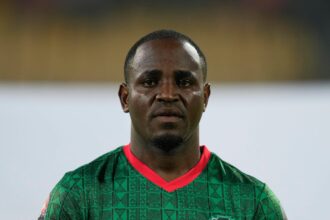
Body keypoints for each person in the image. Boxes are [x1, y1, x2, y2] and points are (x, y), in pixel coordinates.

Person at [39, 29, 286, 220]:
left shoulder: (253, 202)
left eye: (184, 82)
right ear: (125, 98)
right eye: (149, 81)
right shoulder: (79, 195)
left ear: (206, 97)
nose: (167, 94)